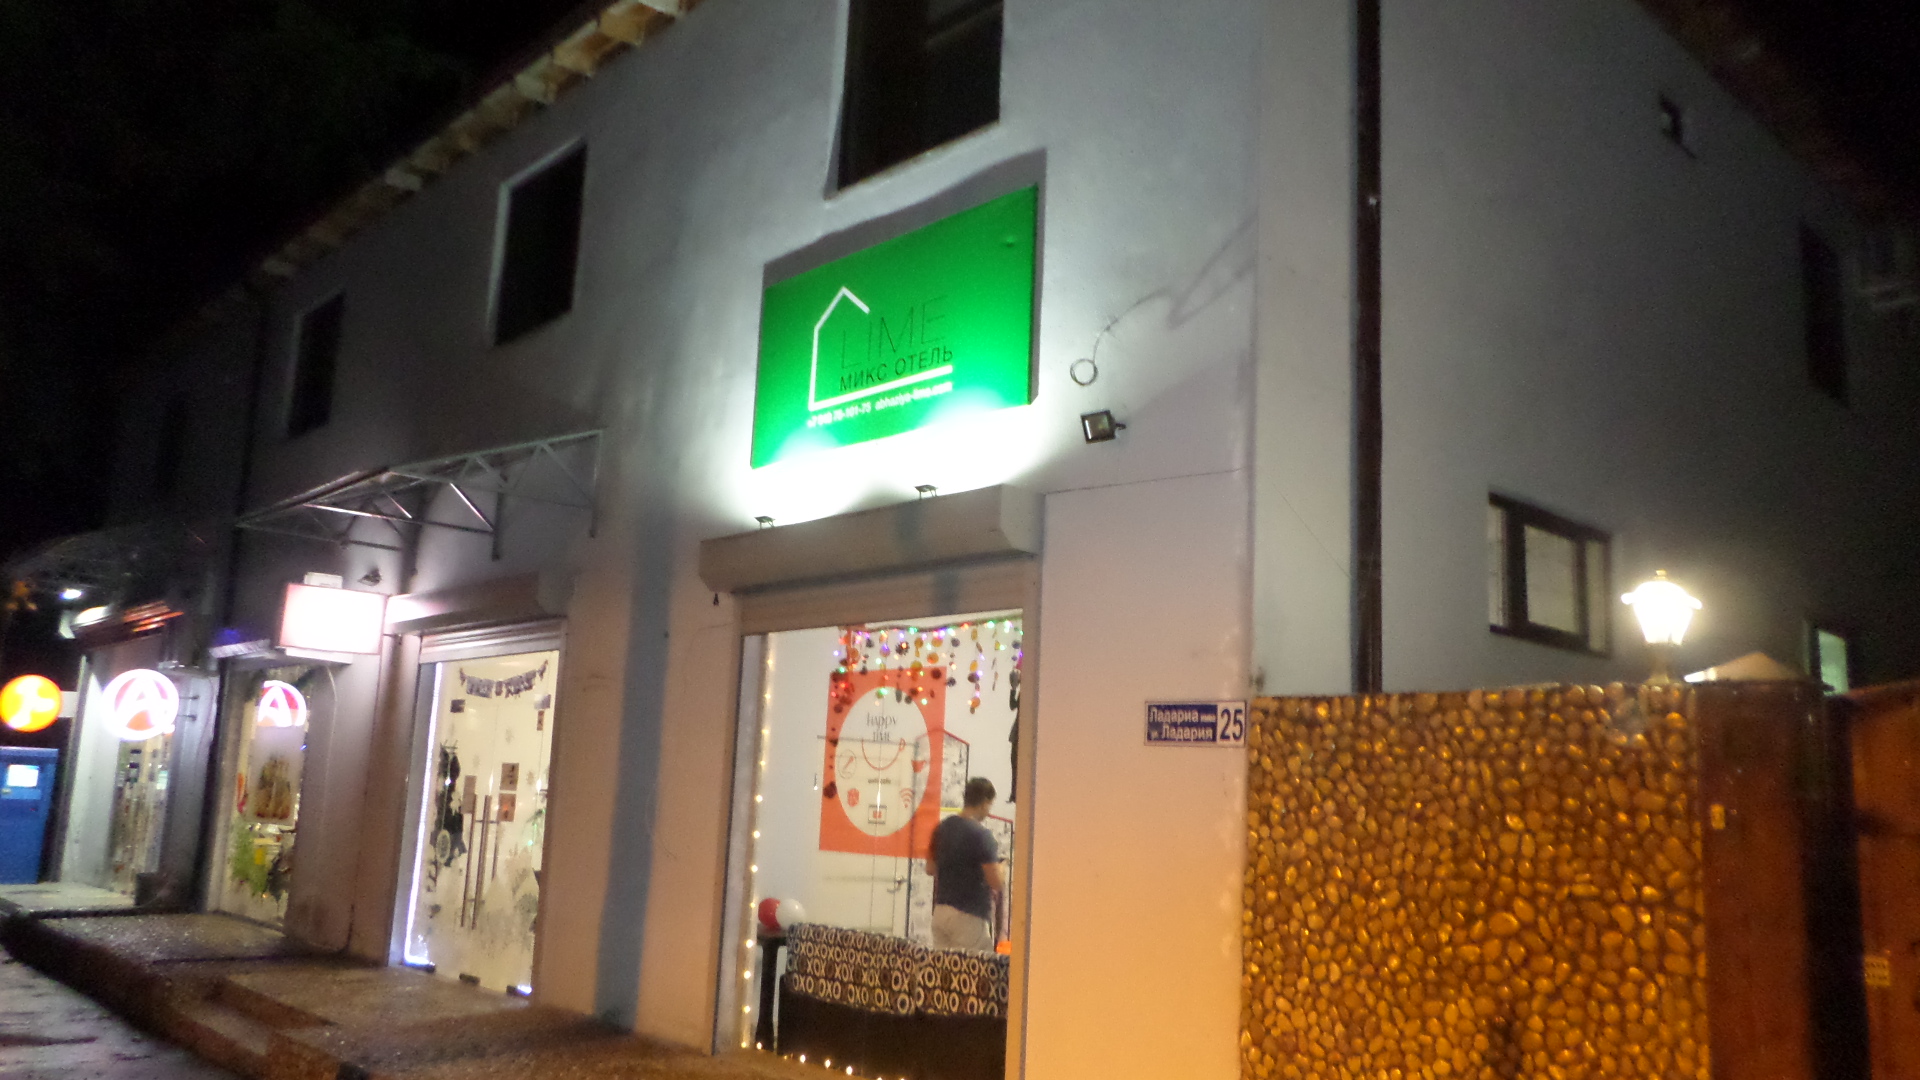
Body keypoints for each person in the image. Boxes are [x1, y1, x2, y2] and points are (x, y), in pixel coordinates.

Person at [926, 777, 1002, 951]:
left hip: (941, 912)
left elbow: (930, 868)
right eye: (990, 805)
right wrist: (1002, 868)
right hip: (969, 916)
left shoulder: (941, 828)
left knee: (943, 966)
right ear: (985, 802)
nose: (988, 812)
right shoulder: (982, 835)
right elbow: (996, 882)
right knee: (975, 966)